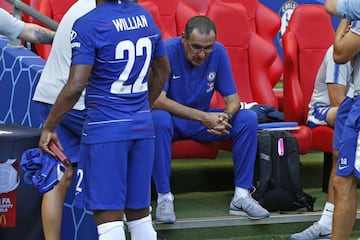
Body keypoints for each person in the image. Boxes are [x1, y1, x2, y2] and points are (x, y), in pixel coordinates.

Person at [38, 0, 170, 240]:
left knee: (109, 221)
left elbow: (76, 84)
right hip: (141, 127)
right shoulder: (144, 16)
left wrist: (49, 126)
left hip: (105, 129)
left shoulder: (89, 23)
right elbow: (163, 71)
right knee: (140, 218)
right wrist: (142, 107)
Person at [151, 15, 270, 224]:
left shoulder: (219, 52)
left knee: (248, 119)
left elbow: (233, 99)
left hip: (202, 121)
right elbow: (157, 100)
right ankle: (164, 198)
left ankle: (242, 196)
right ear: (183, 39)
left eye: (208, 48)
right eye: (196, 47)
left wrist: (225, 117)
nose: (202, 54)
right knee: (158, 119)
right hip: (174, 120)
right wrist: (205, 117)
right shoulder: (167, 51)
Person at [32, 0, 96, 239]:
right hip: (73, 103)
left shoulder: (83, 5)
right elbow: (81, 79)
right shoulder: (101, 13)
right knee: (121, 157)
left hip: (51, 98)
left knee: (60, 175)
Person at [290, 43, 352, 240]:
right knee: (346, 132)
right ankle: (326, 222)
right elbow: (337, 102)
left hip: (352, 111)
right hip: (323, 111)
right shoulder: (339, 51)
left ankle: (327, 224)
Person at [329, 18, 360, 240]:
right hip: (354, 98)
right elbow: (350, 61)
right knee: (342, 181)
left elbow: (339, 53)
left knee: (345, 181)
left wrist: (346, 17)